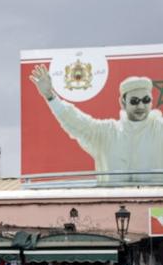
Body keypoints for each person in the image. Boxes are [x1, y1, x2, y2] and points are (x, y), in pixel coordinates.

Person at [29, 65, 163, 184]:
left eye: (146, 100)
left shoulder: (159, 129)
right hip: (112, 207)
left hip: (155, 208)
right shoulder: (107, 133)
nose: (141, 105)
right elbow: (77, 121)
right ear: (123, 103)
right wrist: (50, 96)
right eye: (134, 101)